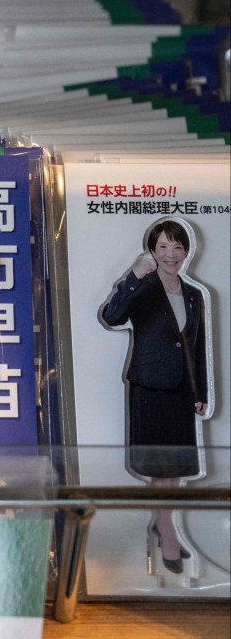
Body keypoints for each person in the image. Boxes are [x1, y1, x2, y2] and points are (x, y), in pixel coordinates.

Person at [101, 218, 210, 575]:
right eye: (163, 246)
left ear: (186, 251)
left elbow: (196, 346)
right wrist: (134, 275)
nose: (171, 254)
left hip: (181, 390)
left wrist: (200, 391)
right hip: (149, 387)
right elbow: (111, 315)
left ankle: (162, 524)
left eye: (177, 247)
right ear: (151, 250)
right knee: (158, 467)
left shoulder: (193, 294)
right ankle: (167, 530)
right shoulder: (144, 287)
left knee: (175, 467)